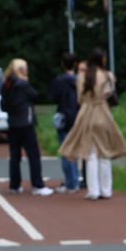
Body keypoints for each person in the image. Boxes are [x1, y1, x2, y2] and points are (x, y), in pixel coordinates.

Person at [62, 48, 126, 200]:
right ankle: (106, 190)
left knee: (90, 154)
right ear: (102, 60)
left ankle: (93, 190)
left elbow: (79, 98)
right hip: (103, 113)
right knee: (104, 153)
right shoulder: (107, 75)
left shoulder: (82, 76)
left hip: (86, 114)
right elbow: (110, 93)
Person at [0, 58, 50, 195]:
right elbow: (35, 95)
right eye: (25, 68)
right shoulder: (23, 84)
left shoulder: (7, 84)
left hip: (13, 123)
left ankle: (14, 185)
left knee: (15, 156)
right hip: (26, 123)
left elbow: (3, 105)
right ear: (21, 70)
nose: (27, 70)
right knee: (33, 155)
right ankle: (38, 185)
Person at [48, 51, 81, 193]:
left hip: (64, 118)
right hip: (78, 118)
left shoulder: (59, 81)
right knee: (76, 151)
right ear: (75, 64)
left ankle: (70, 183)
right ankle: (76, 180)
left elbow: (52, 97)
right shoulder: (80, 80)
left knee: (65, 150)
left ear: (62, 64)